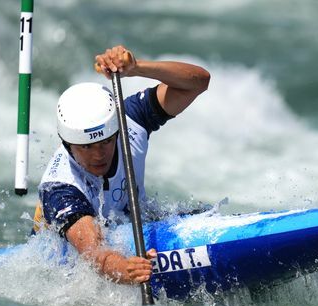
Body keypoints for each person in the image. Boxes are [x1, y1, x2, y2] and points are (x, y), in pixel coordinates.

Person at [32, 45, 210, 285]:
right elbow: (94, 253)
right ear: (67, 144)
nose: (99, 155)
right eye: (86, 147)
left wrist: (137, 68)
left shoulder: (130, 119)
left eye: (106, 141)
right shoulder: (61, 188)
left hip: (128, 220)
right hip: (62, 263)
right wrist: (126, 270)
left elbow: (198, 82)